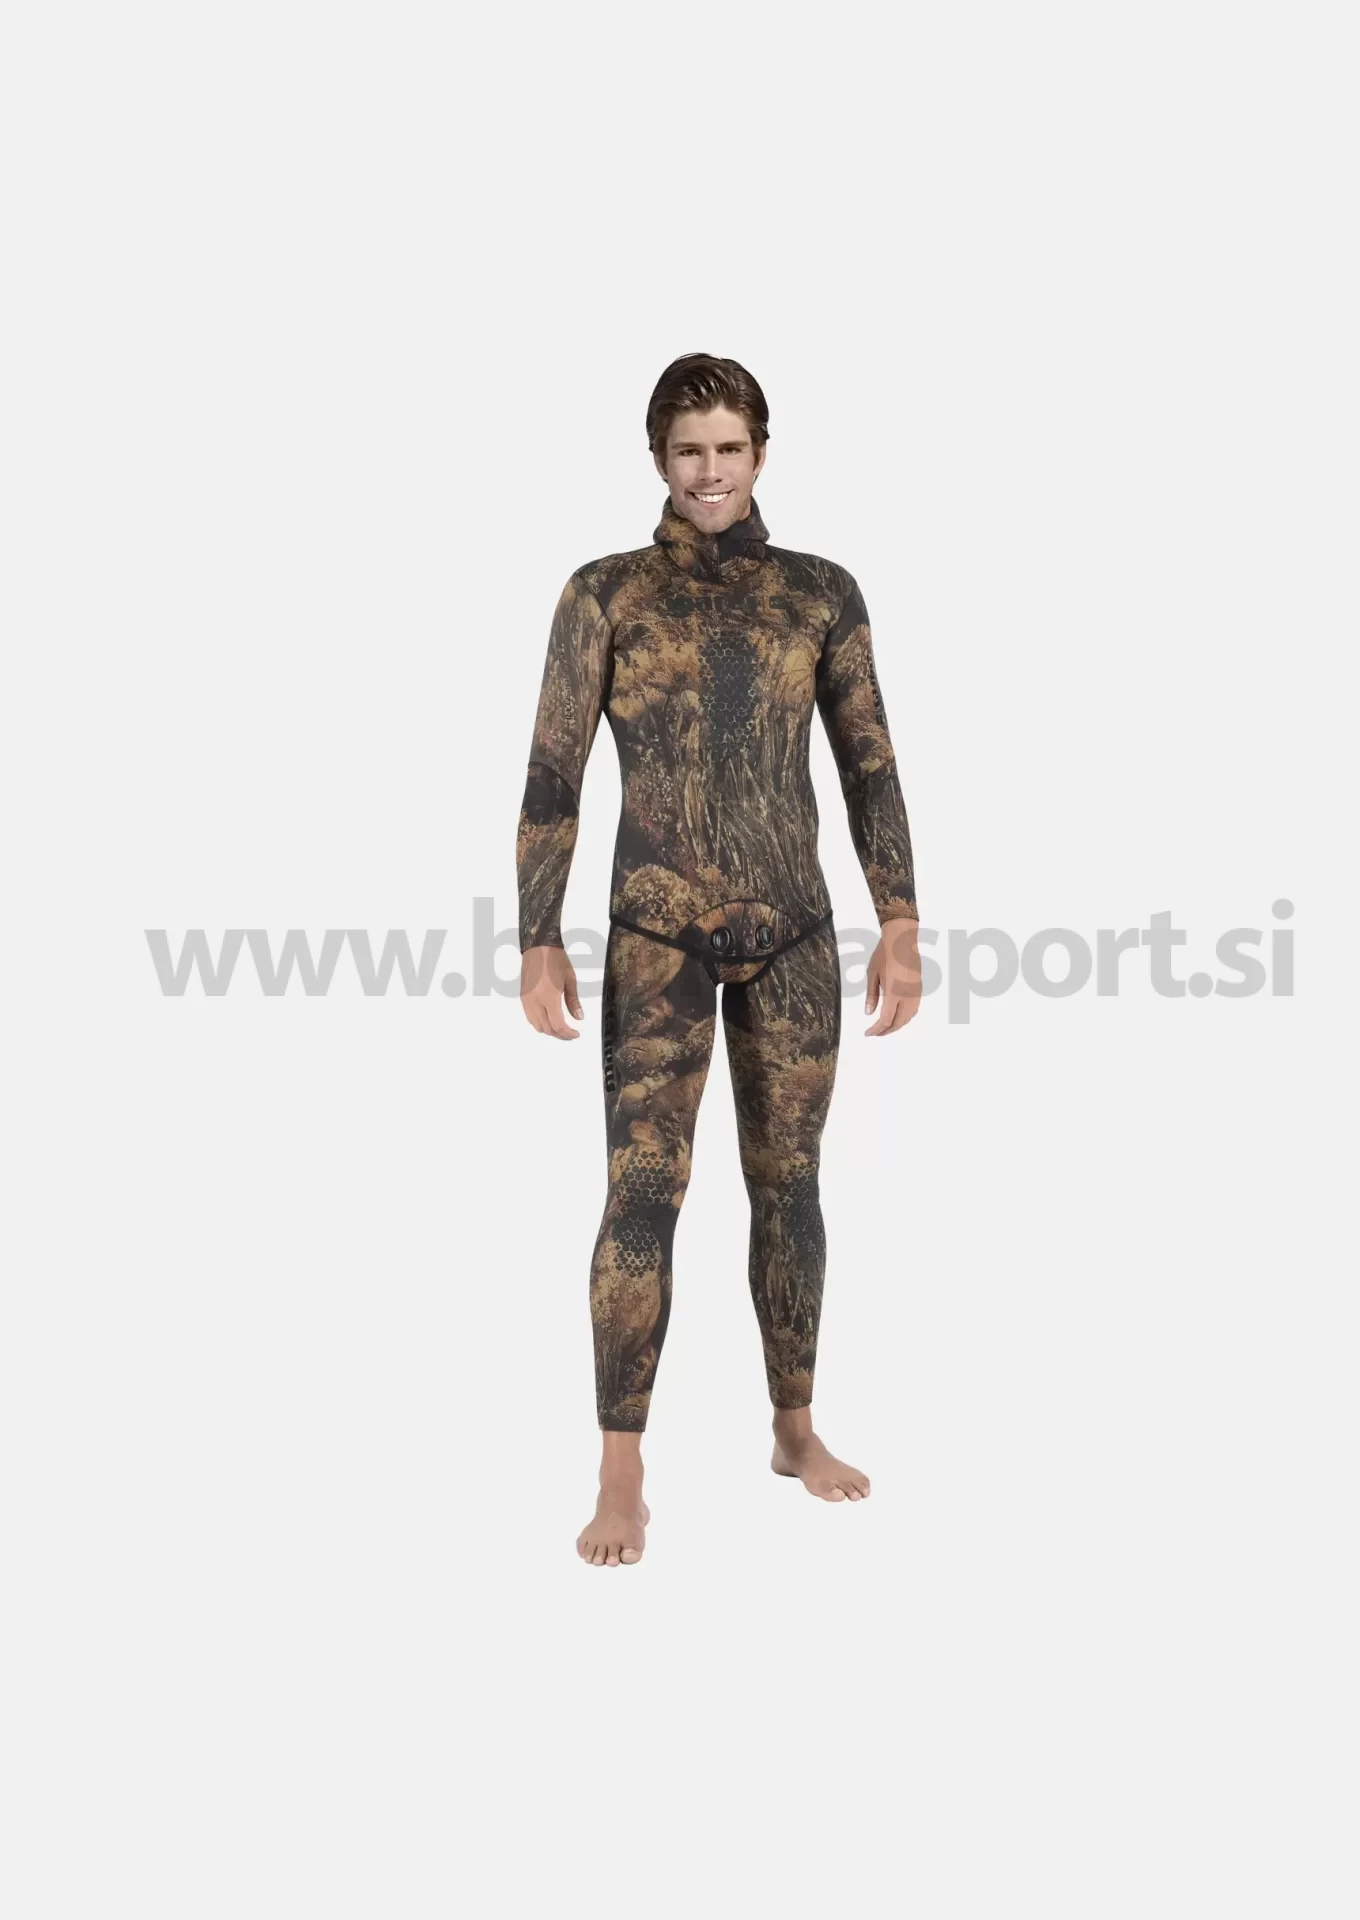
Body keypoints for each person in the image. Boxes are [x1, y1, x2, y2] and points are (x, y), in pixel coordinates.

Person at [516, 353, 922, 1566]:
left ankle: (794, 1431)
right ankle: (620, 1472)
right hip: (658, 938)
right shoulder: (604, 594)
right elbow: (552, 774)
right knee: (643, 1194)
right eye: (687, 449)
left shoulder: (818, 594)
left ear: (760, 453)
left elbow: (869, 763)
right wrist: (536, 936)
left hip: (793, 933)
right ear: (657, 458)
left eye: (728, 447)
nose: (709, 471)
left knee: (789, 1187)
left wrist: (900, 920)